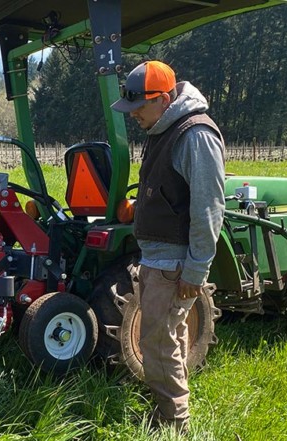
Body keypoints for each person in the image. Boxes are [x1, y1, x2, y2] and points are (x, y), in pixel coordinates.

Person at [111, 60, 225, 433]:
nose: (133, 116)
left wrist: (195, 270)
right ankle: (171, 410)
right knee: (167, 339)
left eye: (138, 107)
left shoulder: (194, 135)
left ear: (162, 99)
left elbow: (208, 208)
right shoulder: (165, 129)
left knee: (158, 343)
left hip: (173, 264)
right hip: (159, 260)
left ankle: (173, 423)